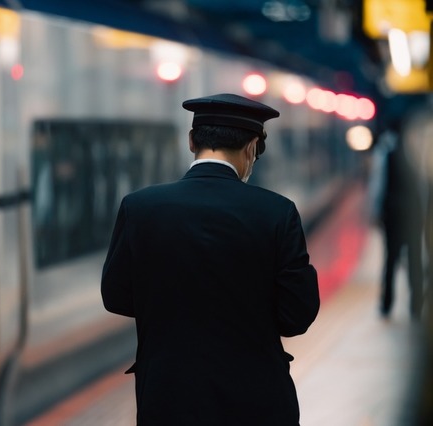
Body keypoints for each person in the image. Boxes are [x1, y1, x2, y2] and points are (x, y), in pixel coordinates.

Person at [101, 93, 320, 425]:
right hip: (257, 402)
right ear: (252, 148)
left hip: (167, 399)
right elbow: (297, 317)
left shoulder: (140, 207)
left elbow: (116, 296)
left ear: (192, 141)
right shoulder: (277, 212)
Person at [369, 122, 424, 319]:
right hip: (414, 214)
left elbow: (379, 184)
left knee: (390, 259)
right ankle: (416, 304)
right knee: (414, 259)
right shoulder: (418, 154)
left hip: (392, 214)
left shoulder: (386, 153)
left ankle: (386, 304)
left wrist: (375, 212)